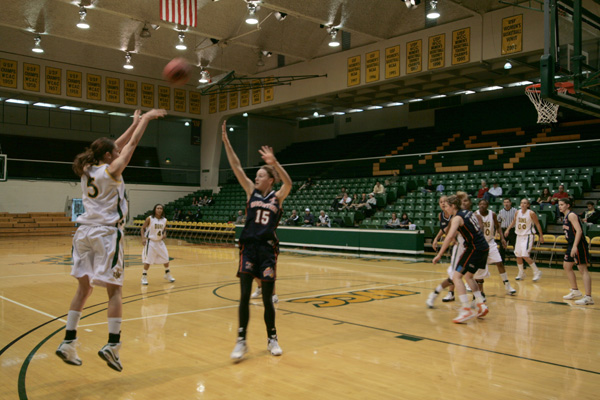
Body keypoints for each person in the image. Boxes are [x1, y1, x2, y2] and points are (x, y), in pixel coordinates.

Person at [56, 108, 167, 372]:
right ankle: (113, 345)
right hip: (106, 233)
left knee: (83, 289)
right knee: (114, 290)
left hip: (83, 234)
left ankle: (69, 341)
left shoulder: (87, 168)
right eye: (114, 153)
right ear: (108, 156)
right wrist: (146, 121)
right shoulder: (113, 170)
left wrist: (134, 122)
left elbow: (115, 145)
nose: (118, 153)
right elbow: (131, 144)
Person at [221, 120, 292, 361]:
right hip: (248, 248)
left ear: (270, 180)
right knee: (243, 296)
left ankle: (272, 337)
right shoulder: (250, 191)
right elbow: (236, 166)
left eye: (261, 175)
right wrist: (226, 143)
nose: (257, 177)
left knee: (267, 299)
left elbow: (289, 183)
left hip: (268, 250)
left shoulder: (277, 197)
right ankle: (241, 340)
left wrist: (275, 163)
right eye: (257, 175)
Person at [432, 194, 489, 323]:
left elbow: (449, 236)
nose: (445, 209)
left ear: (453, 206)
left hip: (474, 248)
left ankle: (466, 310)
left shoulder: (457, 218)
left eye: (446, 206)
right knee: (468, 276)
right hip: (483, 247)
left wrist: (439, 254)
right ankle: (481, 304)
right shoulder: (466, 212)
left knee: (456, 276)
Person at [476, 199, 517, 295]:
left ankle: (507, 286)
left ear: (487, 205)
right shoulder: (475, 214)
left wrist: (502, 238)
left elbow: (498, 226)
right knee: (479, 267)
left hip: (490, 242)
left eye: (484, 204)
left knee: (499, 263)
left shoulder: (492, 214)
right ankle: (474, 285)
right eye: (480, 204)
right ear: (478, 205)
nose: (482, 205)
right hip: (479, 244)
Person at [559, 198, 594, 305]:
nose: (559, 206)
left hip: (578, 244)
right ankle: (575, 291)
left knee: (582, 269)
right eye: (559, 204)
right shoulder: (565, 216)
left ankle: (588, 297)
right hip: (571, 244)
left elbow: (579, 230)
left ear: (568, 205)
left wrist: (575, 246)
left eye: (562, 204)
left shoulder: (571, 215)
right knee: (567, 266)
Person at [504, 198, 545, 281]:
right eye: (522, 203)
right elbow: (514, 222)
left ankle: (537, 272)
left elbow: (537, 224)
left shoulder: (531, 213)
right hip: (519, 235)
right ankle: (521, 273)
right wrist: (508, 229)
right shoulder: (517, 212)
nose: (523, 204)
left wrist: (541, 235)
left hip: (528, 236)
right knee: (518, 255)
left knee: (525, 255)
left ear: (528, 205)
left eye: (525, 203)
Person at [427, 195, 456, 305]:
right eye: (441, 202)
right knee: (454, 272)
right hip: (452, 244)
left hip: (458, 243)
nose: (443, 203)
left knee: (458, 272)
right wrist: (436, 238)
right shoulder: (441, 215)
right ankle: (451, 293)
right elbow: (443, 229)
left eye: (445, 201)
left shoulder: (454, 215)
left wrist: (453, 238)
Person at [141, 204, 174, 286]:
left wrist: (165, 234)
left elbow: (164, 229)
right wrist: (143, 238)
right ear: (155, 209)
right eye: (158, 208)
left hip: (160, 242)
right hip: (151, 242)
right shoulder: (150, 218)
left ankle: (167, 274)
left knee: (166, 258)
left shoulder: (164, 220)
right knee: (148, 261)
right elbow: (142, 228)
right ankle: (144, 276)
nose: (159, 210)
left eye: (161, 208)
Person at [497, 198, 517, 264]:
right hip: (503, 229)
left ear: (510, 203)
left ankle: (521, 263)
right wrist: (497, 232)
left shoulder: (515, 211)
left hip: (512, 230)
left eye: (507, 202)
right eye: (505, 202)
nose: (506, 203)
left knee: (516, 247)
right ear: (503, 203)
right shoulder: (501, 211)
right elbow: (499, 222)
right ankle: (502, 262)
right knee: (502, 247)